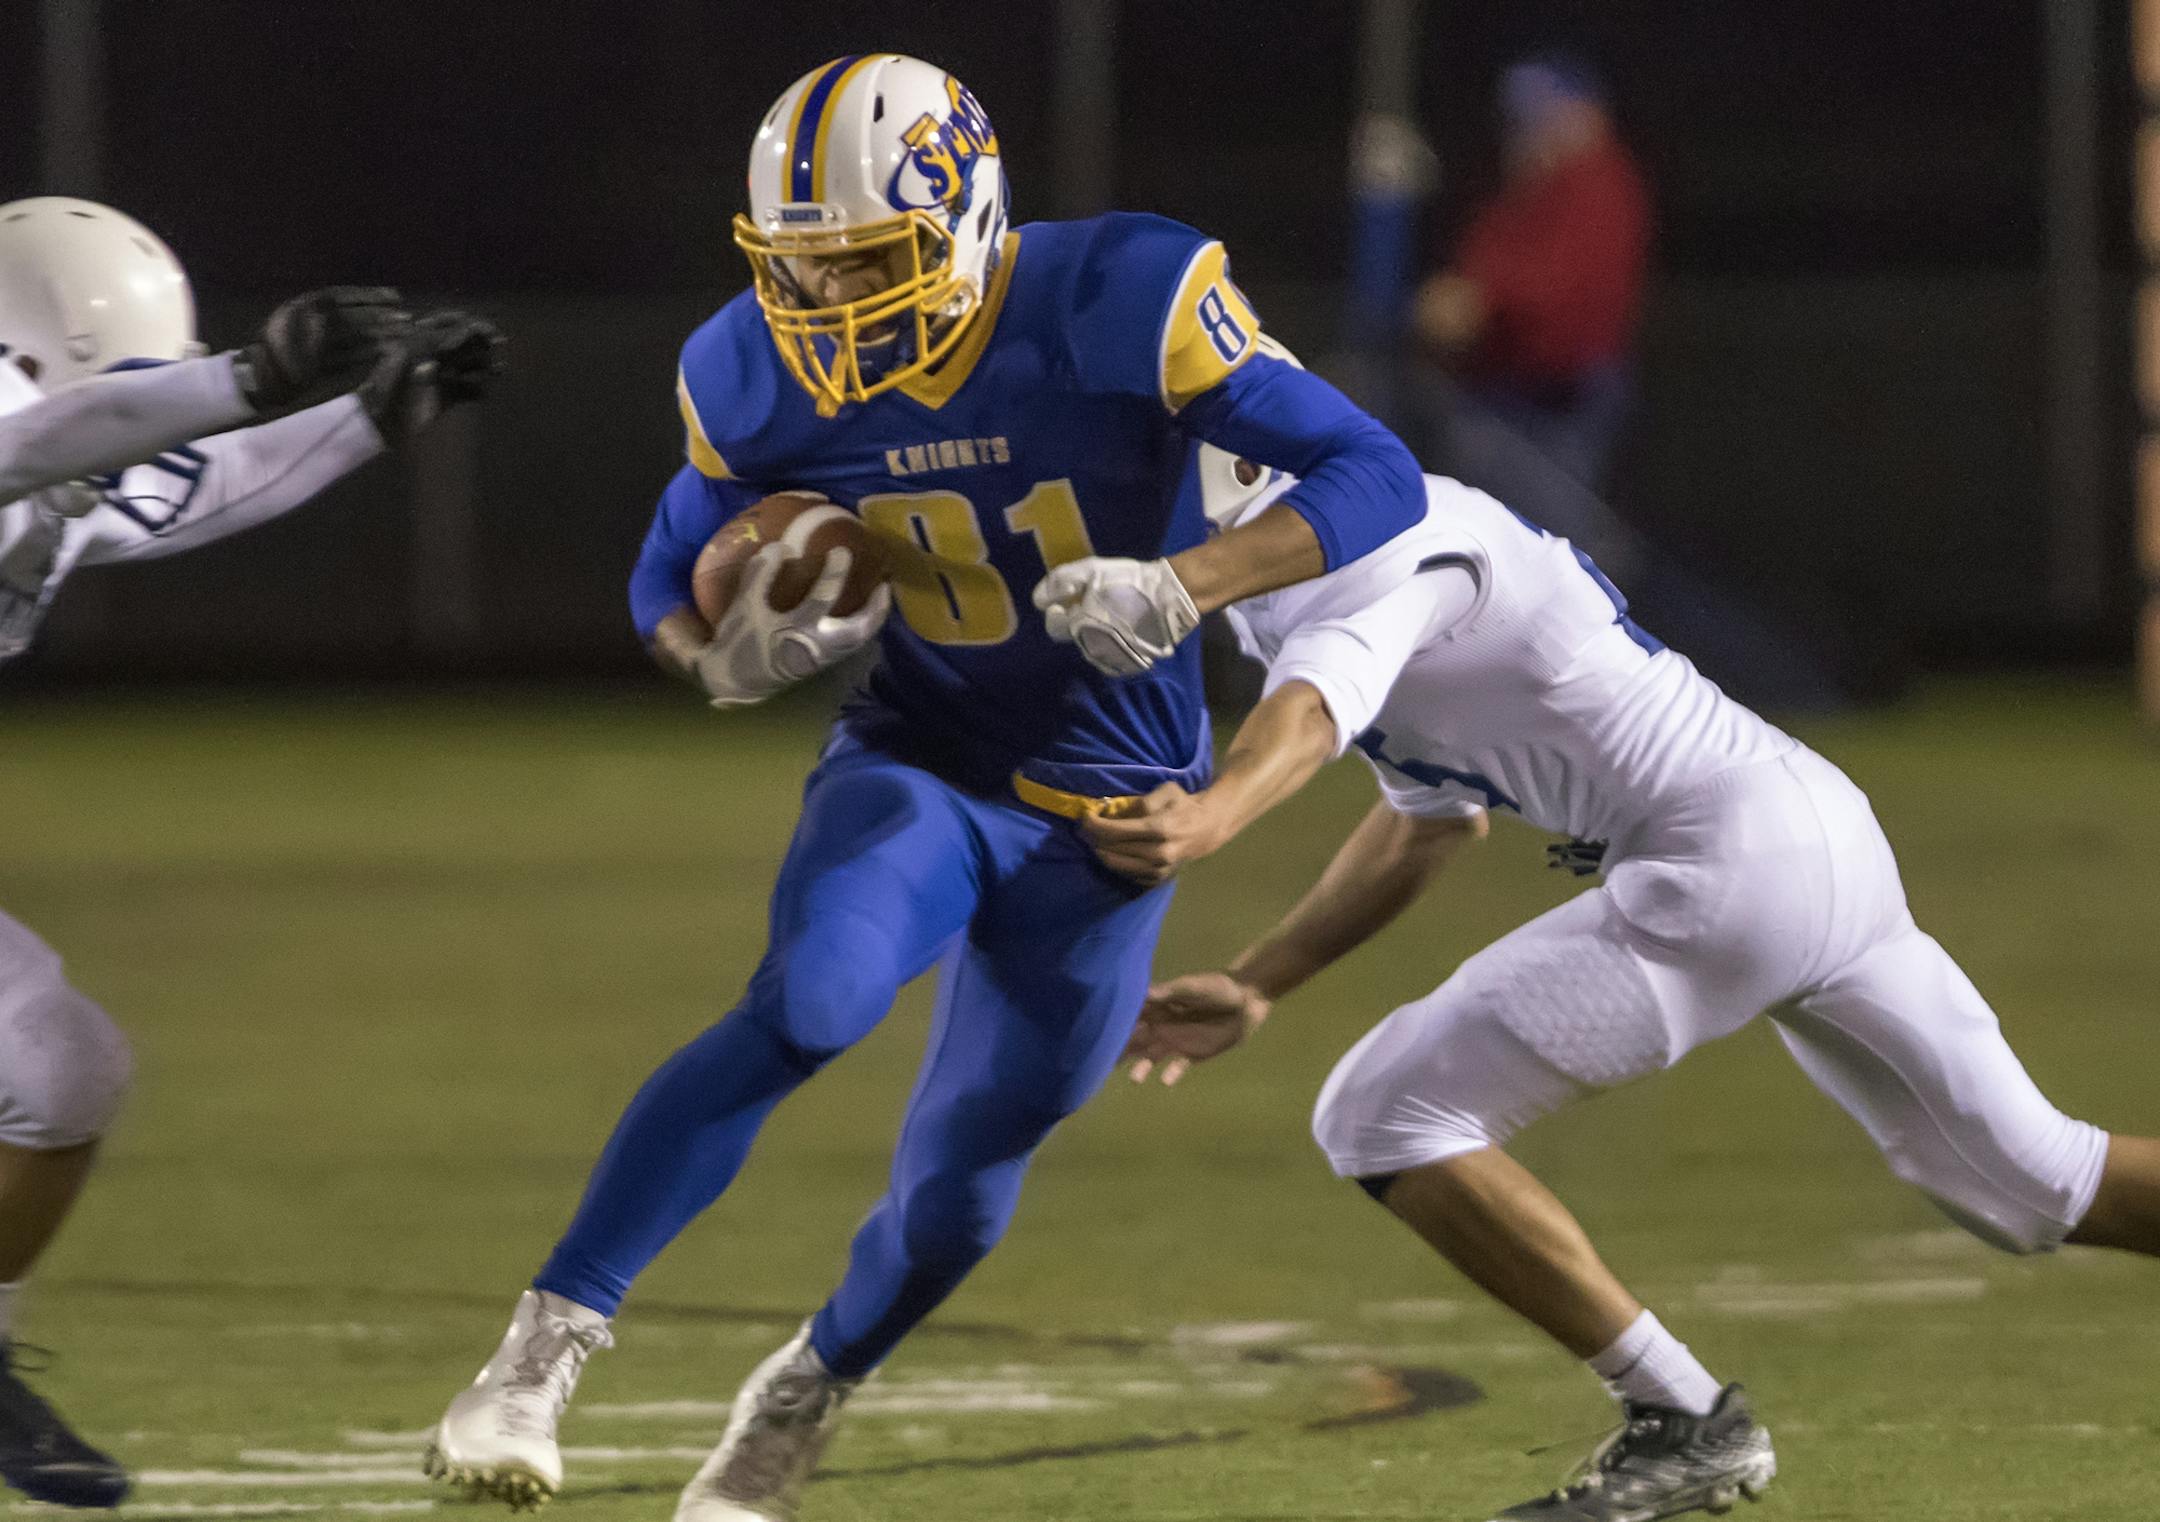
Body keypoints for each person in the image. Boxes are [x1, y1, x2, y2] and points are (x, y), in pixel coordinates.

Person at [421, 53, 1425, 1522]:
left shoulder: (1125, 295)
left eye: (864, 267)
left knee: (962, 1183)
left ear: (965, 220)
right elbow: (666, 563)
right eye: (799, 272)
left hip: (1114, 805)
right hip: (925, 756)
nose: (825, 311)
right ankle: (539, 1349)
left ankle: (808, 1385)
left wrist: (1187, 581)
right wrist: (708, 655)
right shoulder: (748, 367)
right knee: (809, 1000)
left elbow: (1373, 467)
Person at [1104, 448, 2160, 1522]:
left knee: (1385, 1113)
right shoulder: (1311, 568)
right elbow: (1429, 820)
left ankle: (1683, 1417)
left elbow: (1318, 704)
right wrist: (1260, 980)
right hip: (1799, 825)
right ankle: (1684, 1419)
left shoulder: (1377, 540)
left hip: (1729, 860)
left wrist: (1213, 811)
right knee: (2036, 1185)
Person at [0, 195, 503, 1508]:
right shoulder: (32, 426)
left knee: (62, 1065)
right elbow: (76, 431)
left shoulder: (58, 452)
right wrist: (245, 376)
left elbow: (176, 486)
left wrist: (365, 414)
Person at [1412, 50, 1650, 491]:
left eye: (1544, 109)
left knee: (1548, 533)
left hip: (1556, 400)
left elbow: (1559, 288)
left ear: (1586, 112)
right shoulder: (1523, 191)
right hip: (1496, 390)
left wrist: (1478, 300)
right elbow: (1477, 264)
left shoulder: (1600, 182)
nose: (1528, 126)